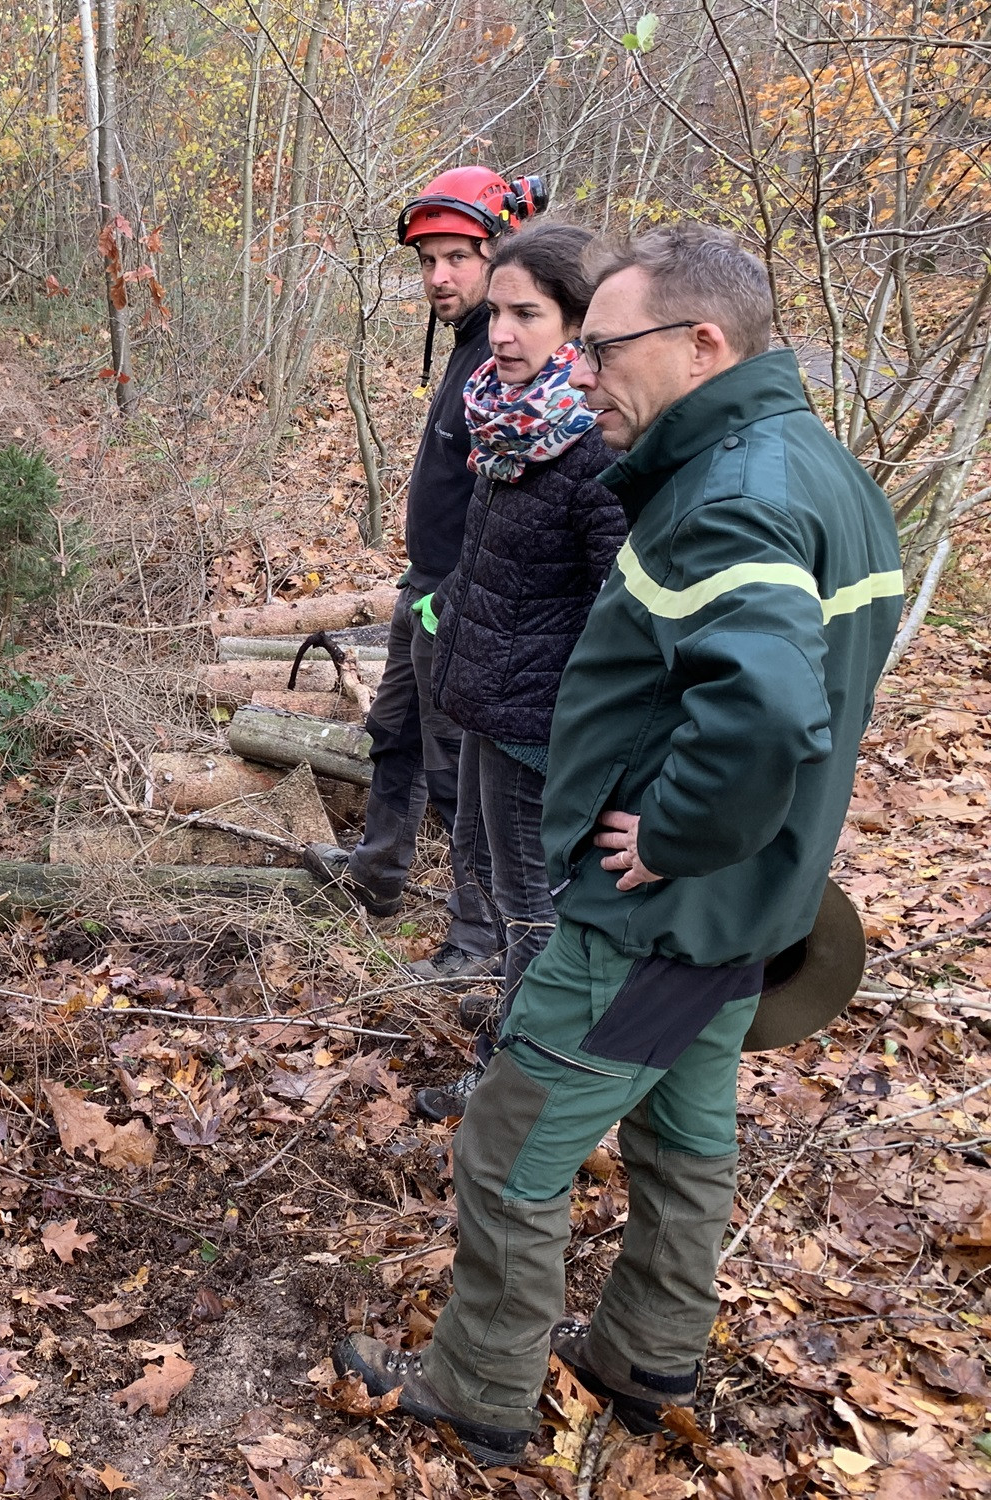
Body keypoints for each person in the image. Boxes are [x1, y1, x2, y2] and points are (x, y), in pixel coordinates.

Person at [333, 224, 902, 1465]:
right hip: (741, 911)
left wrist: (681, 831)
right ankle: (646, 1356)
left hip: (654, 915)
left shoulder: (732, 498)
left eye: (601, 349)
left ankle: (478, 1388)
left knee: (507, 1143)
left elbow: (760, 706)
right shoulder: (814, 465)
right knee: (685, 1129)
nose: (580, 375)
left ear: (700, 343)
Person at [412, 224, 628, 1121]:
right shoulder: (509, 427)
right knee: (485, 873)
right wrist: (452, 607)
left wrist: (576, 726)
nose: (500, 333)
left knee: (534, 904)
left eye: (526, 315)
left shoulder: (595, 449)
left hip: (544, 728)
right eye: (495, 312)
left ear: (579, 327)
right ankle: (510, 1013)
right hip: (488, 698)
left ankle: (517, 1083)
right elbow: (498, 558)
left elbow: (621, 611)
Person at [317, 167, 545, 985]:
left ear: (498, 251)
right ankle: (377, 866)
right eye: (426, 260)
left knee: (462, 774)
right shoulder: (469, 347)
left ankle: (478, 939)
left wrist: (463, 599)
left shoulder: (512, 349)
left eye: (456, 257)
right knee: (399, 735)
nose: (438, 277)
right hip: (428, 584)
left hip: (467, 601)